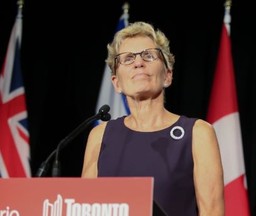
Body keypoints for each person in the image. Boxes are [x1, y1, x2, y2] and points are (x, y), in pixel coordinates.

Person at [81, 21, 225, 216]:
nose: (138, 63)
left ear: (167, 75)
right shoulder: (100, 135)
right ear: (116, 83)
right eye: (128, 58)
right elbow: (85, 208)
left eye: (148, 55)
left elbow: (212, 212)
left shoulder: (197, 133)